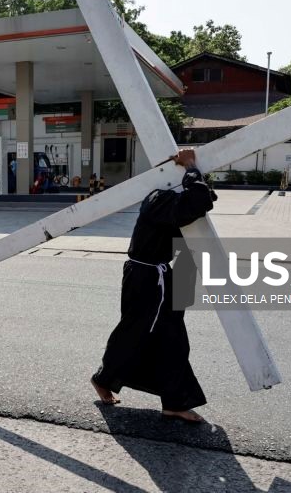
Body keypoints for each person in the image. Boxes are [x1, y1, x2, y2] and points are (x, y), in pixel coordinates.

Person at [90, 148, 216, 423]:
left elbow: (203, 199)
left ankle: (173, 402)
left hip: (157, 275)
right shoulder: (158, 199)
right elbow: (197, 201)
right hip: (146, 278)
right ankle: (104, 379)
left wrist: (194, 174)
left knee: (171, 338)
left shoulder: (167, 198)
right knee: (136, 333)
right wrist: (190, 167)